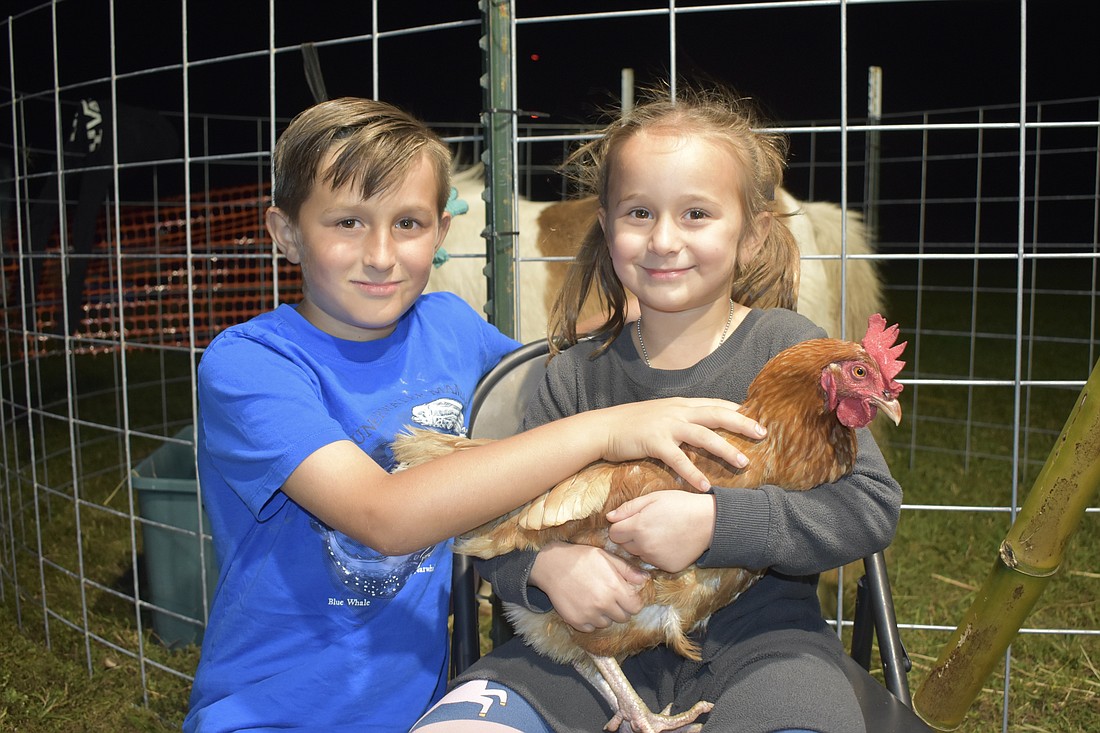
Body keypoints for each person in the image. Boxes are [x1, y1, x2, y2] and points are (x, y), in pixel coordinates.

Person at [182, 96, 766, 733]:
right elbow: (383, 518)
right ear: (286, 233)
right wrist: (604, 430)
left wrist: (663, 304)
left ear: (441, 233)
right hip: (272, 712)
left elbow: (547, 380)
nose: (380, 254)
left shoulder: (450, 328)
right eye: (348, 222)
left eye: (408, 224)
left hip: (423, 707)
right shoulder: (251, 364)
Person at [413, 85, 903, 733]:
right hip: (584, 655)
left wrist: (717, 522)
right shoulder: (574, 375)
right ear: (606, 226)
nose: (665, 239)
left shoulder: (792, 352)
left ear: (753, 234)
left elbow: (869, 506)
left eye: (696, 213)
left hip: (764, 648)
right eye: (640, 213)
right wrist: (544, 568)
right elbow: (499, 519)